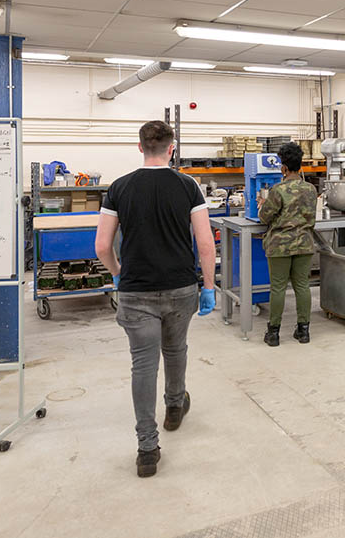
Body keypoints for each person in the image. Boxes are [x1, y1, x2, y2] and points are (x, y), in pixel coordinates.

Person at [95, 120, 216, 478]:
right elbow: (206, 244)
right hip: (181, 288)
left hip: (135, 292)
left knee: (143, 365)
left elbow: (102, 246)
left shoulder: (119, 188)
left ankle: (147, 448)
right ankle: (175, 406)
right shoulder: (188, 186)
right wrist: (208, 286)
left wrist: (117, 272)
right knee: (176, 349)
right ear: (171, 148)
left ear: (139, 147)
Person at [256, 142, 317, 347]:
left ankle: (273, 333)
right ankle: (304, 331)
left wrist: (261, 204)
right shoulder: (310, 189)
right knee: (302, 286)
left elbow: (265, 218)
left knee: (278, 288)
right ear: (300, 166)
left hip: (280, 246)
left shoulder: (278, 190)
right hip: (304, 244)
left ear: (283, 167)